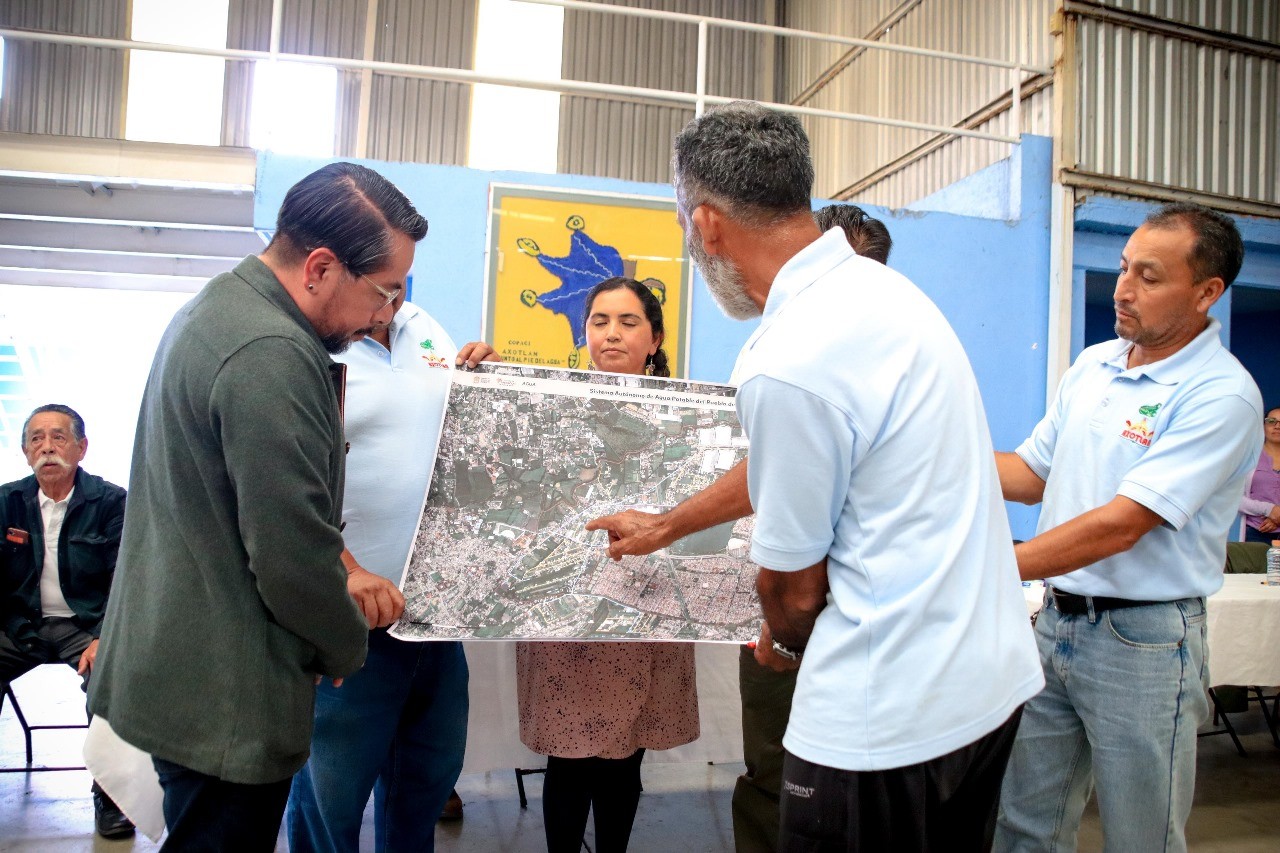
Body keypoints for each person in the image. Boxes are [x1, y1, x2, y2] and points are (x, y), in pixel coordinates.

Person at [668, 101, 1043, 851]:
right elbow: (817, 461)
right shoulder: (890, 296)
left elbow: (792, 588)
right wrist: (670, 523)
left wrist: (782, 642)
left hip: (883, 722)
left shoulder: (788, 357)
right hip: (984, 689)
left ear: (707, 225)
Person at [88, 162, 424, 850]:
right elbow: (291, 550)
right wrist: (344, 643)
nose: (386, 314)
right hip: (227, 690)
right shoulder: (271, 352)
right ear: (320, 268)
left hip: (184, 665)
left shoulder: (221, 306)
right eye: (385, 291)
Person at [587, 201, 896, 853]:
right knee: (775, 776)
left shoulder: (896, 362)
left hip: (866, 609)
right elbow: (763, 471)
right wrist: (666, 529)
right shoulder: (772, 355)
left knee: (863, 782)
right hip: (779, 609)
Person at [993, 202, 1262, 853]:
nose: (1122, 288)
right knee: (1024, 823)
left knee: (1141, 837)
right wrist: (930, 451)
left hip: (1141, 642)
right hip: (1056, 622)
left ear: (1206, 292)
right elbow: (1030, 472)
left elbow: (1123, 524)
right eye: (1122, 268)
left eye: (1149, 275)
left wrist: (986, 565)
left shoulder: (1219, 394)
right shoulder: (1094, 365)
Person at [286, 277, 498, 852]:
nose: (392, 300)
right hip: (349, 616)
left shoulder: (423, 326)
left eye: (401, 282)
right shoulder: (311, 344)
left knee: (428, 777)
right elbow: (285, 484)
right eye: (380, 285)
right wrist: (347, 569)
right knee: (331, 798)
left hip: (433, 611)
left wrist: (489, 387)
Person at [517, 276, 700, 853]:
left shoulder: (688, 418)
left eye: (628, 321)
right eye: (599, 321)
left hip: (646, 605)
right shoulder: (551, 409)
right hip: (568, 610)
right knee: (567, 758)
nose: (612, 333)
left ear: (655, 339)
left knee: (625, 758)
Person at [0, 404, 133, 839]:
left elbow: (126, 577)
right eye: (36, 439)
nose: (47, 447)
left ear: (81, 447)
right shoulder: (6, 502)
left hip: (88, 626)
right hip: (21, 624)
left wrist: (104, 636)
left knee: (112, 678)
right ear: (25, 451)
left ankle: (111, 797)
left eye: (58, 437)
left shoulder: (111, 501)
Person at [1239, 406, 1280, 544]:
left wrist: (1277, 518)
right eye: (1271, 421)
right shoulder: (1246, 457)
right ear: (1263, 426)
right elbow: (1232, 497)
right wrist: (1269, 510)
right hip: (1255, 532)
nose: (1277, 426)